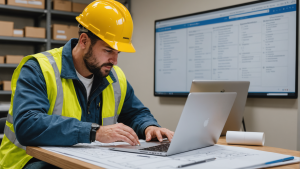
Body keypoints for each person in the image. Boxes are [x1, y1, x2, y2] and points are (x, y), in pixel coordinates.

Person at [0, 0, 174, 168]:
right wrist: (94, 132)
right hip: (29, 161)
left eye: (118, 52)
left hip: (85, 161)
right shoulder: (39, 69)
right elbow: (28, 124)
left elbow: (135, 113)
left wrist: (149, 126)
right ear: (84, 41)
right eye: (108, 50)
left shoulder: (114, 77)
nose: (115, 60)